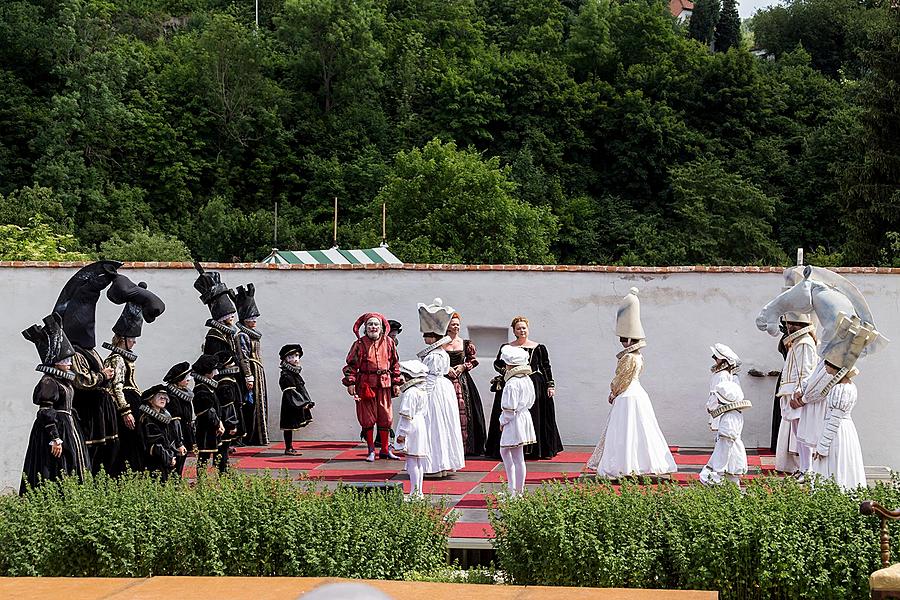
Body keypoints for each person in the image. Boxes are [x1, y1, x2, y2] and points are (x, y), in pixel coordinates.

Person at [587, 288, 677, 478]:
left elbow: (622, 378)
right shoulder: (639, 356)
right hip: (638, 394)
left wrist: (613, 392)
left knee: (624, 432)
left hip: (627, 395)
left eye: (623, 339)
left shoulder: (628, 358)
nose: (622, 342)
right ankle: (638, 463)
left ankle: (624, 465)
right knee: (640, 431)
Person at [20, 313, 91, 493]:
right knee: (54, 466)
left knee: (72, 463)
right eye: (65, 360)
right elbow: (45, 410)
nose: (69, 363)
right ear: (55, 361)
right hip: (55, 429)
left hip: (68, 426)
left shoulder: (63, 381)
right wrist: (54, 438)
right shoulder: (49, 382)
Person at [485, 316, 563, 460]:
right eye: (519, 328)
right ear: (514, 331)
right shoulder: (506, 347)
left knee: (533, 414)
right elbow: (497, 364)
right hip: (510, 382)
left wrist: (550, 384)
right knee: (509, 410)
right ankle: (508, 446)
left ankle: (535, 450)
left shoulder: (538, 347)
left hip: (533, 383)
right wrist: (507, 373)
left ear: (528, 329)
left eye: (524, 328)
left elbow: (545, 366)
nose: (522, 330)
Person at [342, 313, 402, 462]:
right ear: (365, 328)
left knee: (386, 417)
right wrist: (350, 383)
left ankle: (385, 449)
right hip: (365, 385)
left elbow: (395, 364)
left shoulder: (389, 342)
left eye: (376, 324)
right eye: (370, 324)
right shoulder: (359, 344)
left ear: (381, 328)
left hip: (384, 384)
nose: (373, 327)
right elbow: (351, 366)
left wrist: (396, 383)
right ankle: (370, 450)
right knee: (367, 418)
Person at [103, 289, 150, 474]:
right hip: (126, 404)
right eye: (132, 339)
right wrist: (126, 411)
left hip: (134, 400)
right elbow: (117, 387)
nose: (134, 343)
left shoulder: (125, 358)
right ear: (123, 339)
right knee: (128, 442)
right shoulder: (117, 359)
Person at [416, 299, 465, 477]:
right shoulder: (440, 352)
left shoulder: (434, 355)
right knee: (442, 425)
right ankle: (443, 464)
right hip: (443, 389)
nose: (424, 338)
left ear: (433, 336)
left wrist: (422, 398)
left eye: (426, 335)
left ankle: (434, 465)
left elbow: (430, 377)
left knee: (433, 425)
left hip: (435, 390)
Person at [699, 346, 751, 486]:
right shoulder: (736, 414)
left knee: (724, 447)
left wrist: (719, 469)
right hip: (725, 413)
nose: (714, 359)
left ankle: (718, 477)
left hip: (724, 417)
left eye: (716, 356)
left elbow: (717, 394)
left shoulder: (722, 376)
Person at [774, 313, 817, 475]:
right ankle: (803, 467)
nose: (788, 327)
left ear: (797, 324)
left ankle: (808, 468)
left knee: (802, 433)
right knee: (798, 433)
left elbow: (805, 371)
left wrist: (799, 394)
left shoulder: (805, 343)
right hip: (791, 393)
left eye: (791, 324)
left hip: (796, 395)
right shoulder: (798, 342)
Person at [444, 313, 486, 457]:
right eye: (453, 324)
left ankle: (466, 446)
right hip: (445, 380)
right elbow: (433, 359)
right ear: (447, 326)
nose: (456, 326)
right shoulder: (440, 342)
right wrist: (446, 368)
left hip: (463, 381)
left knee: (464, 409)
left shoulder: (465, 343)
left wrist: (463, 367)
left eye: (457, 324)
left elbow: (473, 360)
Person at [498, 345, 537, 496]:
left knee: (514, 455)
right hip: (523, 417)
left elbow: (509, 408)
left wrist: (502, 421)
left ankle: (516, 491)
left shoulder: (512, 383)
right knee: (511, 453)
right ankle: (513, 489)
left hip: (515, 420)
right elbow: (531, 400)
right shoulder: (527, 380)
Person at [235, 283, 269, 446]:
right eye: (251, 318)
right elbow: (243, 356)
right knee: (251, 404)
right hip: (252, 371)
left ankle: (258, 435)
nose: (254, 321)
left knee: (258, 403)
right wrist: (248, 375)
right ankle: (250, 435)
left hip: (258, 370)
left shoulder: (254, 335)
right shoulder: (242, 335)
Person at [395, 359, 431, 499]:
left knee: (411, 461)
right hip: (420, 424)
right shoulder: (422, 391)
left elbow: (407, 415)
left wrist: (402, 434)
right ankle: (418, 491)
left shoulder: (411, 393)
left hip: (412, 425)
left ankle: (415, 493)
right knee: (417, 460)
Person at [138, 384, 185, 482]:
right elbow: (155, 446)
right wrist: (169, 458)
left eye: (165, 397)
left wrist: (178, 446)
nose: (163, 399)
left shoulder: (165, 417)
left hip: (166, 458)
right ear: (150, 400)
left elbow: (171, 437)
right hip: (154, 462)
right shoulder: (148, 419)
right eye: (159, 397)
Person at [192, 354, 227, 473]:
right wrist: (218, 424)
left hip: (213, 426)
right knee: (204, 456)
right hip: (206, 428)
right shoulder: (201, 389)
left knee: (220, 454)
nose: (216, 373)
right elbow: (208, 411)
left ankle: (223, 476)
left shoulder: (208, 386)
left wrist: (219, 422)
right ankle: (201, 481)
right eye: (214, 370)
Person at [279, 344, 314, 456]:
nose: (295, 359)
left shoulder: (294, 373)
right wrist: (302, 403)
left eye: (297, 356)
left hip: (295, 401)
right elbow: (290, 391)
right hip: (290, 403)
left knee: (290, 426)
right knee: (288, 426)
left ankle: (289, 447)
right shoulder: (286, 374)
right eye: (291, 357)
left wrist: (307, 400)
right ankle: (288, 448)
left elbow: (301, 388)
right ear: (286, 359)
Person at [163, 362, 195, 477]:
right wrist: (179, 442)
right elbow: (174, 422)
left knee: (181, 461)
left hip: (185, 431)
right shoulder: (172, 397)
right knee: (176, 461)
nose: (188, 380)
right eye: (186, 378)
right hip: (175, 435)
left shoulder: (184, 394)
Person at [214, 352, 243, 452]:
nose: (234, 365)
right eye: (231, 363)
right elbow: (227, 406)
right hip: (227, 418)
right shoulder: (225, 383)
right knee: (224, 444)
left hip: (231, 414)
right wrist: (232, 424)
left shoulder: (230, 379)